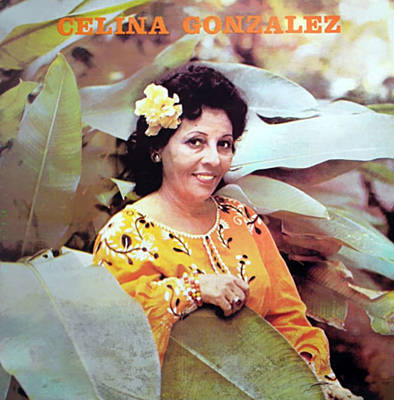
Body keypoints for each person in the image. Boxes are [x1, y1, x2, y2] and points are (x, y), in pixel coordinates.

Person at [93, 63, 362, 400]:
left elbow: (287, 318)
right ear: (157, 149)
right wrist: (192, 290)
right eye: (195, 142)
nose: (213, 159)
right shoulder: (125, 235)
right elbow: (109, 338)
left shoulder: (242, 219)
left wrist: (318, 383)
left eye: (224, 144)